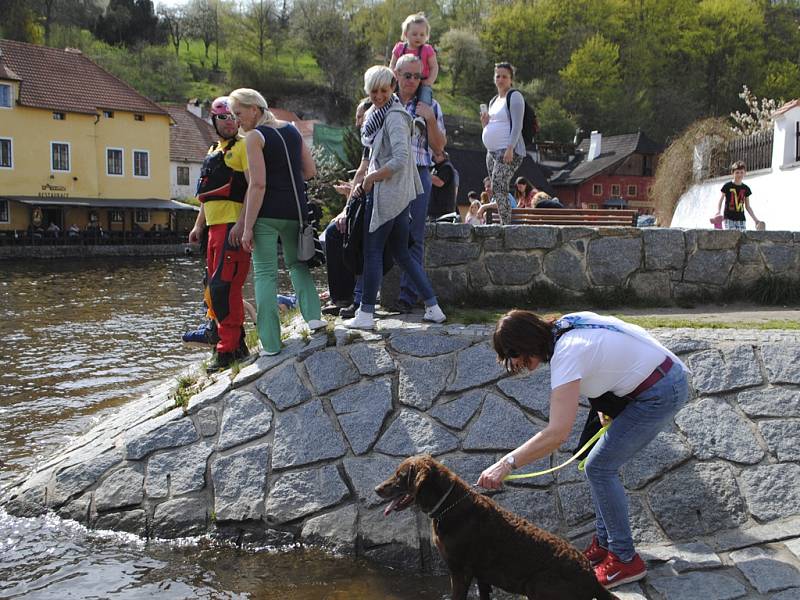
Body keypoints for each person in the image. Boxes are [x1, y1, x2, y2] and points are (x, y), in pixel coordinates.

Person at [478, 310, 689, 590]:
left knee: (600, 467)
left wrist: (506, 463)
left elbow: (557, 433)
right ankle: (605, 546)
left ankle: (625, 560)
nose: (513, 362)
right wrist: (605, 404)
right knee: (595, 462)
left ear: (527, 341)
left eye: (513, 353)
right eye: (508, 357)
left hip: (659, 391)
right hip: (653, 379)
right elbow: (602, 357)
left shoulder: (567, 352)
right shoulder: (564, 326)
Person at [344, 65, 446, 330]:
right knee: (402, 253)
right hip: (396, 195)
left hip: (389, 194)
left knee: (373, 251)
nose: (378, 96)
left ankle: (366, 313)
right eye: (373, 92)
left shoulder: (393, 116)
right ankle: (433, 307)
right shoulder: (379, 115)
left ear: (392, 87)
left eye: (383, 90)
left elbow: (401, 158)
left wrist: (372, 177)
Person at [228, 88, 324, 356]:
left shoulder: (255, 138)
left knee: (266, 275)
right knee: (297, 265)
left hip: (266, 216)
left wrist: (247, 228)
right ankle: (315, 318)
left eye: (239, 114)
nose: (237, 121)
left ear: (255, 110)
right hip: (295, 212)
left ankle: (270, 343)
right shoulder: (293, 131)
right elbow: (311, 171)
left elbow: (257, 185)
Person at [185, 96, 250, 372]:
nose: (228, 122)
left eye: (233, 117)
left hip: (231, 228)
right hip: (213, 229)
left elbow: (254, 187)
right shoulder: (213, 151)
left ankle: (227, 350)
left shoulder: (244, 147)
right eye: (222, 118)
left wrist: (243, 225)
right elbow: (207, 198)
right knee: (214, 289)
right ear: (214, 121)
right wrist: (199, 226)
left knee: (225, 287)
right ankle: (236, 343)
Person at [391, 53, 447, 313]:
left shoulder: (430, 105)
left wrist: (431, 120)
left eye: (417, 76)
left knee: (415, 237)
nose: (412, 80)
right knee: (379, 232)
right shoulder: (386, 102)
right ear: (397, 75)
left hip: (420, 171)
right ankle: (362, 297)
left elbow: (439, 148)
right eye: (407, 75)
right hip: (389, 174)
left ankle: (408, 295)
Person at [481, 62, 527, 225]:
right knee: (496, 188)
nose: (500, 79)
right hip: (492, 152)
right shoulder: (494, 100)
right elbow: (495, 126)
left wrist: (510, 148)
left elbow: (517, 125)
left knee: (500, 186)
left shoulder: (514, 96)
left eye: (504, 76)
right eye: (498, 76)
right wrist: (485, 124)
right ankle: (502, 221)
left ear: (511, 80)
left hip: (507, 150)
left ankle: (506, 224)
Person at [389, 12, 439, 133]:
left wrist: (429, 81)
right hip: (401, 81)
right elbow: (392, 64)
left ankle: (420, 119)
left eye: (422, 35)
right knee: (390, 94)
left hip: (422, 81)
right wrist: (393, 76)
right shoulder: (400, 48)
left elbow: (434, 67)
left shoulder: (427, 50)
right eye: (415, 34)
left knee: (425, 95)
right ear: (406, 34)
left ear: (427, 36)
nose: (418, 37)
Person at [714, 160, 762, 231]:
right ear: (732, 173)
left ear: (745, 173)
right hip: (729, 218)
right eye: (737, 172)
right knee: (731, 237)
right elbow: (721, 200)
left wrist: (755, 219)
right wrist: (718, 211)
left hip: (741, 219)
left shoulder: (746, 188)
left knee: (742, 239)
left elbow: (748, 206)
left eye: (741, 172)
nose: (739, 175)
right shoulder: (727, 186)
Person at [428, 150, 459, 220]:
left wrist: (426, 174)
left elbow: (440, 182)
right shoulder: (436, 167)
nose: (434, 157)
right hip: (435, 208)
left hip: (443, 209)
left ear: (444, 156)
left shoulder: (446, 167)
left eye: (437, 155)